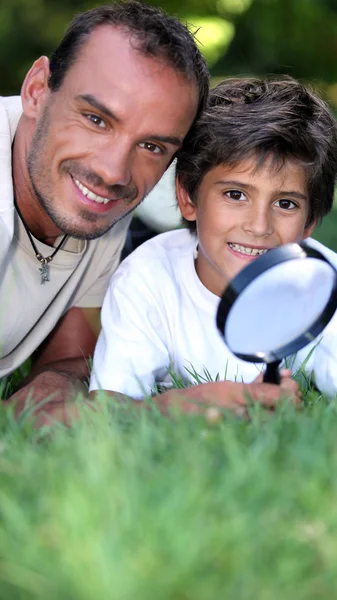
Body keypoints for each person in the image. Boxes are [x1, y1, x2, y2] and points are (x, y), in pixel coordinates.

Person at [90, 77, 337, 408]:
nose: (258, 226)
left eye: (286, 204)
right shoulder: (146, 279)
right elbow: (109, 409)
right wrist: (190, 404)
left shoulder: (324, 282)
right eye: (235, 195)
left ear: (310, 222)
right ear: (188, 198)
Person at [0, 0, 210, 423]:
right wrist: (159, 412)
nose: (113, 172)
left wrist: (53, 385)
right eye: (96, 119)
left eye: (152, 146)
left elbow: (70, 354)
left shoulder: (97, 207)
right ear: (38, 90)